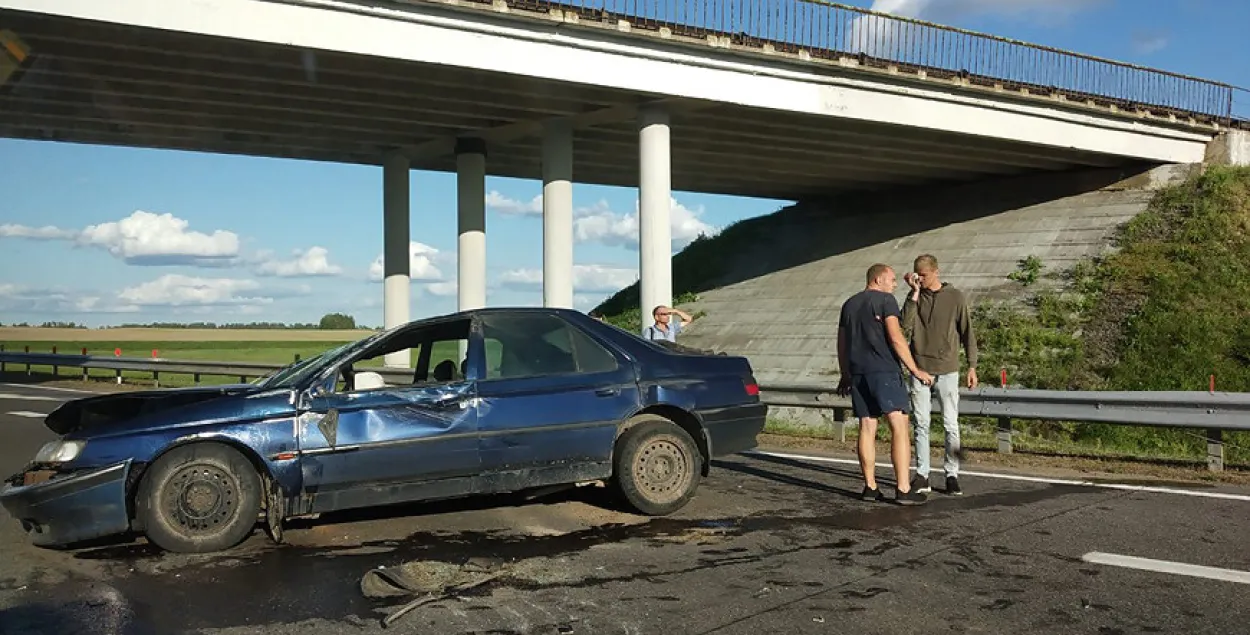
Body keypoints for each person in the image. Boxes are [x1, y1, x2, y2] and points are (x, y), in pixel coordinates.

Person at [837, 264, 933, 505]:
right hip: (884, 370)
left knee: (866, 427)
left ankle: (870, 486)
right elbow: (896, 336)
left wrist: (845, 374)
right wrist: (915, 369)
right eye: (891, 279)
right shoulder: (885, 300)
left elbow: (841, 342)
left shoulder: (849, 304)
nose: (894, 283)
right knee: (899, 426)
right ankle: (902, 488)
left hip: (858, 373)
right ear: (878, 279)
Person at [902, 254, 978, 496]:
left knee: (950, 424)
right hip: (919, 367)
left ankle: (952, 474)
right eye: (917, 274)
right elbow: (905, 327)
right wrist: (913, 294)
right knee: (921, 424)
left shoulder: (955, 297)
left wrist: (972, 365)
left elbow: (968, 332)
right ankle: (922, 473)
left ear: (936, 272)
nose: (920, 279)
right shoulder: (914, 297)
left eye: (923, 275)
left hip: (948, 368)